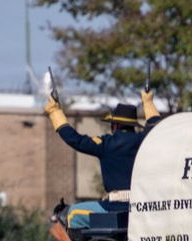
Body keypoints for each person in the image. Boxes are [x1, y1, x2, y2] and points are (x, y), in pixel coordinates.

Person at [45, 90, 162, 233]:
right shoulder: (145, 140)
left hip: (114, 207)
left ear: (116, 125)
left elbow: (75, 139)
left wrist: (55, 112)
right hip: (140, 207)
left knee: (72, 214)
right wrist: (148, 103)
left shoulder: (107, 143)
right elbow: (155, 125)